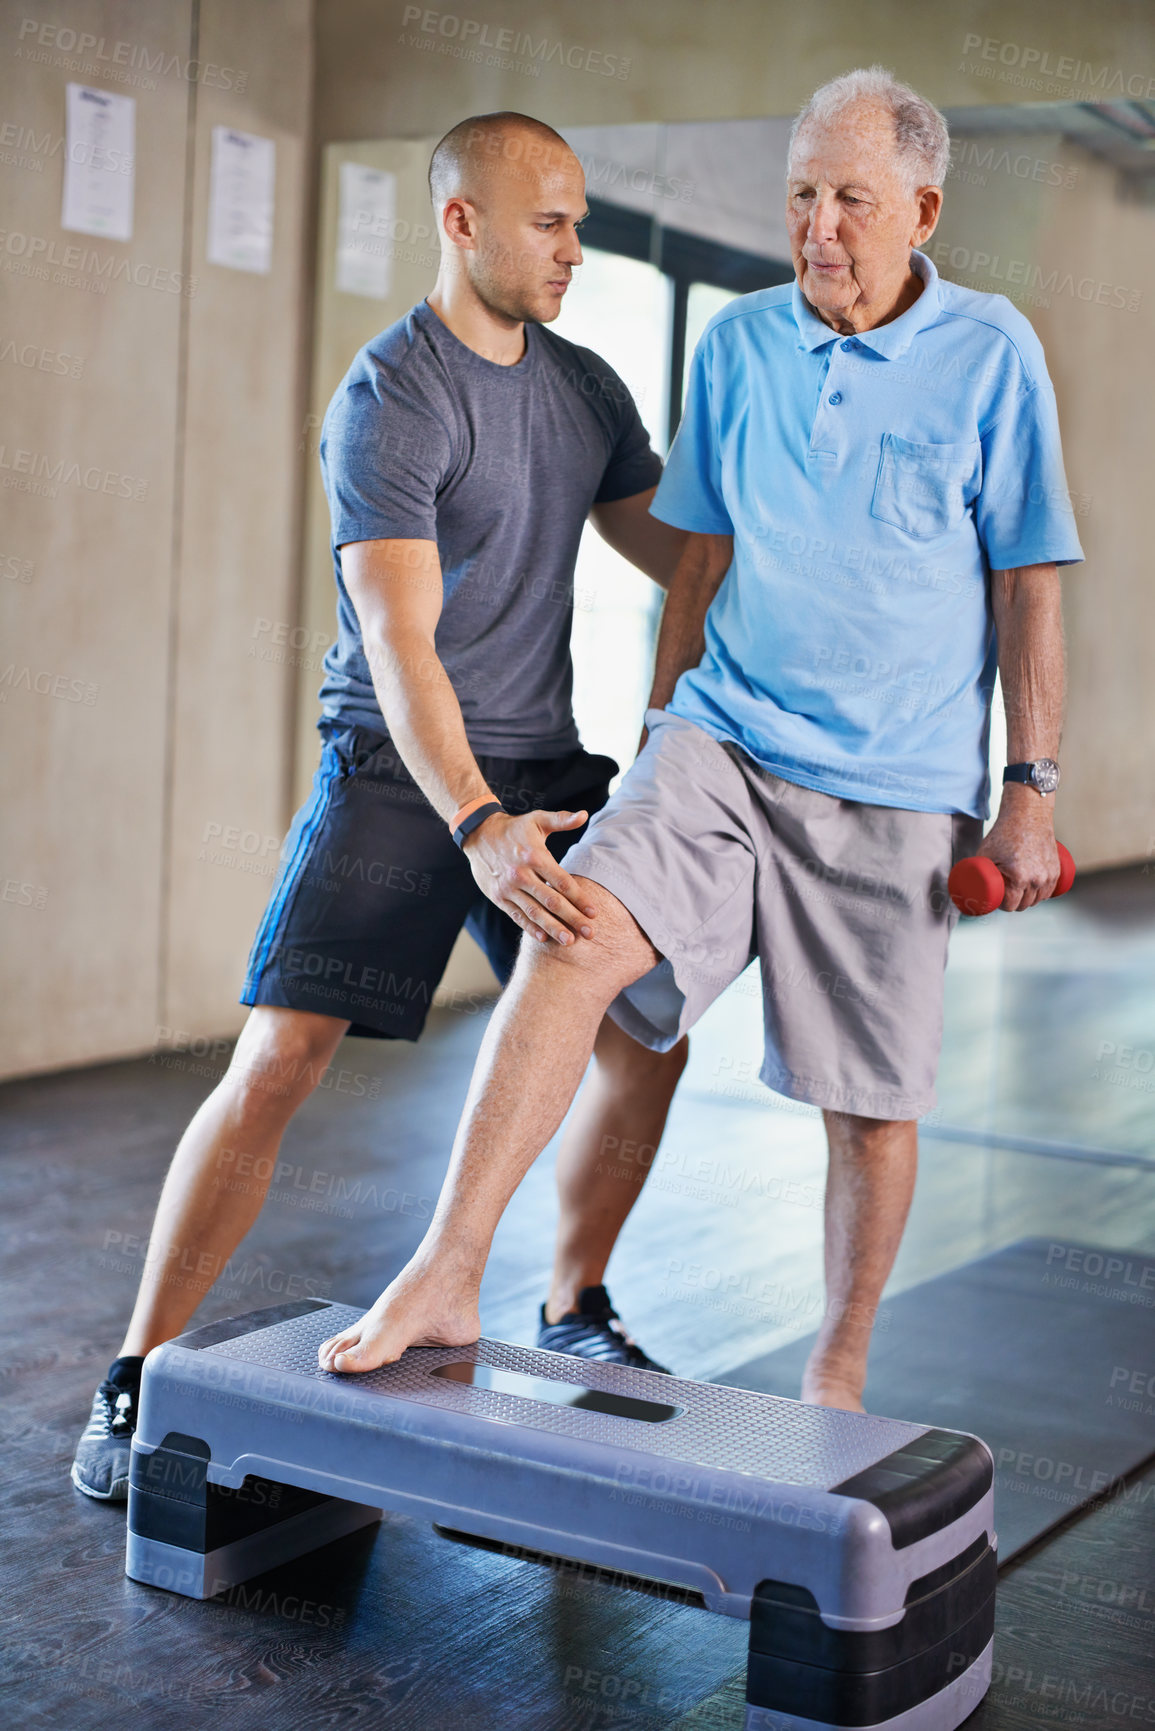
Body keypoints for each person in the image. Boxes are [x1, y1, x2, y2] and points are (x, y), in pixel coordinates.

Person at [314, 67, 1085, 1411]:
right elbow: (701, 560)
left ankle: (835, 1378)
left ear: (922, 207)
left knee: (873, 1104)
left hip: (896, 784)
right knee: (576, 942)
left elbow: (1028, 580)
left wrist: (1029, 790)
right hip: (723, 740)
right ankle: (448, 1267)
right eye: (801, 195)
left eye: (851, 198)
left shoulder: (992, 352)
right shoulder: (734, 345)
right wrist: (666, 721)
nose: (820, 226)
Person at [72, 110, 690, 1501]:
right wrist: (476, 821)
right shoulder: (392, 395)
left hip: (549, 767)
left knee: (648, 1037)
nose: (574, 248)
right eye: (550, 221)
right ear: (462, 221)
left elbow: (685, 551)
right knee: (284, 1054)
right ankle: (136, 1375)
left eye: (581, 219)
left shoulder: (587, 391)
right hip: (408, 776)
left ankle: (572, 1302)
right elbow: (399, 641)